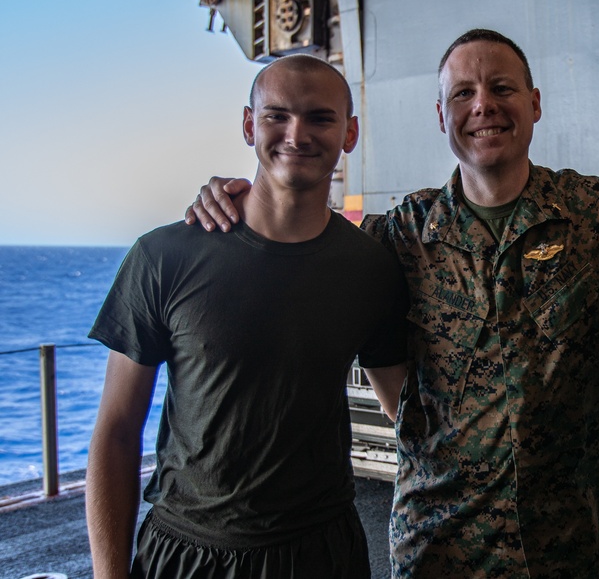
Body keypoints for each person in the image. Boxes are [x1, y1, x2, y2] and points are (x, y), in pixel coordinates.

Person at [186, 29, 599, 578]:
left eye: (503, 88)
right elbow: (323, 283)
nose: (485, 106)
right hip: (436, 548)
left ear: (534, 103)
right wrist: (231, 197)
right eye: (464, 94)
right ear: (441, 116)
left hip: (564, 548)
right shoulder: (399, 234)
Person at [85, 55, 409, 578]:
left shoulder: (371, 267)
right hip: (186, 553)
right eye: (276, 115)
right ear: (247, 125)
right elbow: (118, 430)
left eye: (320, 118)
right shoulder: (163, 256)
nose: (296, 133)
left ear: (349, 133)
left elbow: (407, 411)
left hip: (321, 553)